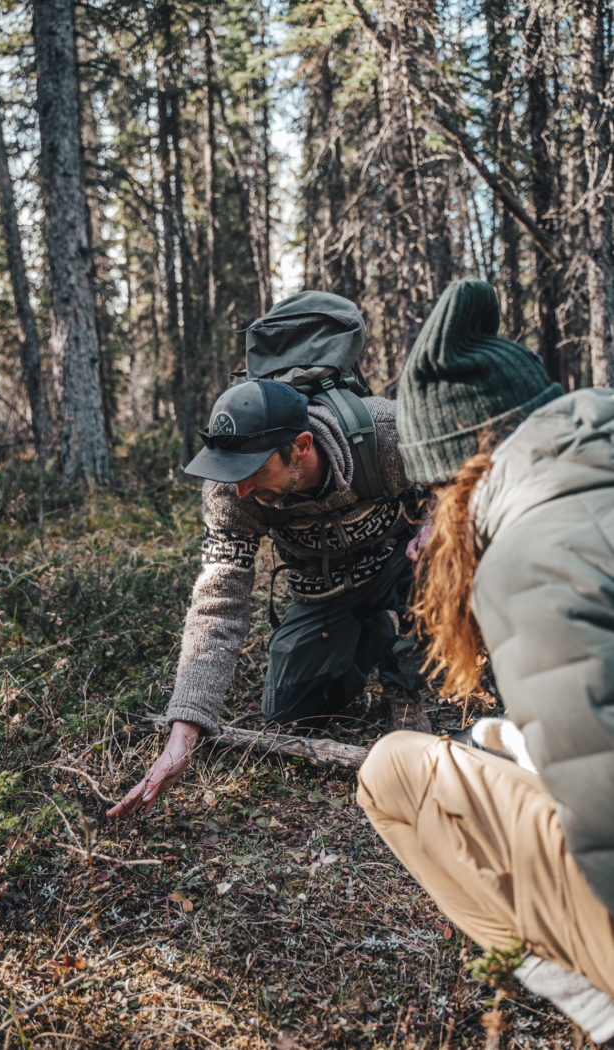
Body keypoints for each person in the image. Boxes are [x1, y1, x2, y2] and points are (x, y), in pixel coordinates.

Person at [357, 277, 614, 1044]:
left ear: (465, 471)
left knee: (394, 773)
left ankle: (597, 1011)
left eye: (431, 496)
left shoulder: (531, 563)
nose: (426, 531)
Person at [109, 323, 431, 821]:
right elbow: (219, 600)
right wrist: (185, 731)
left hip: (400, 566)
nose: (238, 490)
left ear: (300, 446)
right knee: (287, 712)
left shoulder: (385, 431)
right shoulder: (228, 487)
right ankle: (371, 634)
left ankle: (405, 688)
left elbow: (464, 471)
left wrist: (439, 522)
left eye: (252, 474)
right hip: (323, 589)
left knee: (444, 555)